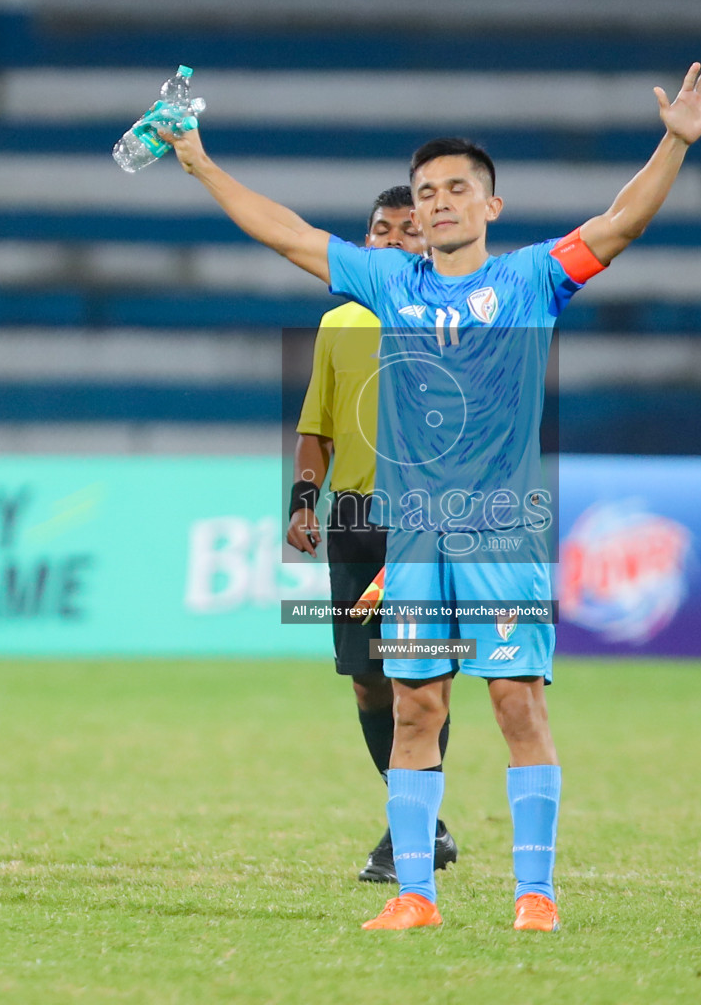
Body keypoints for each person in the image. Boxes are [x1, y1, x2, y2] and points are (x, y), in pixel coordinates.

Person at [156, 61, 701, 931]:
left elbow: (620, 225)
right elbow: (287, 233)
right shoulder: (391, 283)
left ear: (489, 205)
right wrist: (197, 162)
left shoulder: (534, 278)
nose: (439, 203)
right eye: (426, 193)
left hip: (503, 535)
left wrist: (673, 144)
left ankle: (535, 894)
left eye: (457, 189)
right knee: (416, 705)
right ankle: (416, 896)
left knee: (516, 703)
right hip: (415, 544)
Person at [287, 185, 459, 883]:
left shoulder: (453, 325)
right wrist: (304, 500)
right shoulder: (341, 324)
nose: (390, 240)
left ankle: (407, 832)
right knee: (367, 682)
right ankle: (426, 825)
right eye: (379, 230)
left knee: (422, 681)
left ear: (429, 242)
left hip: (423, 523)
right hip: (355, 522)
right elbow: (315, 429)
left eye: (406, 230)